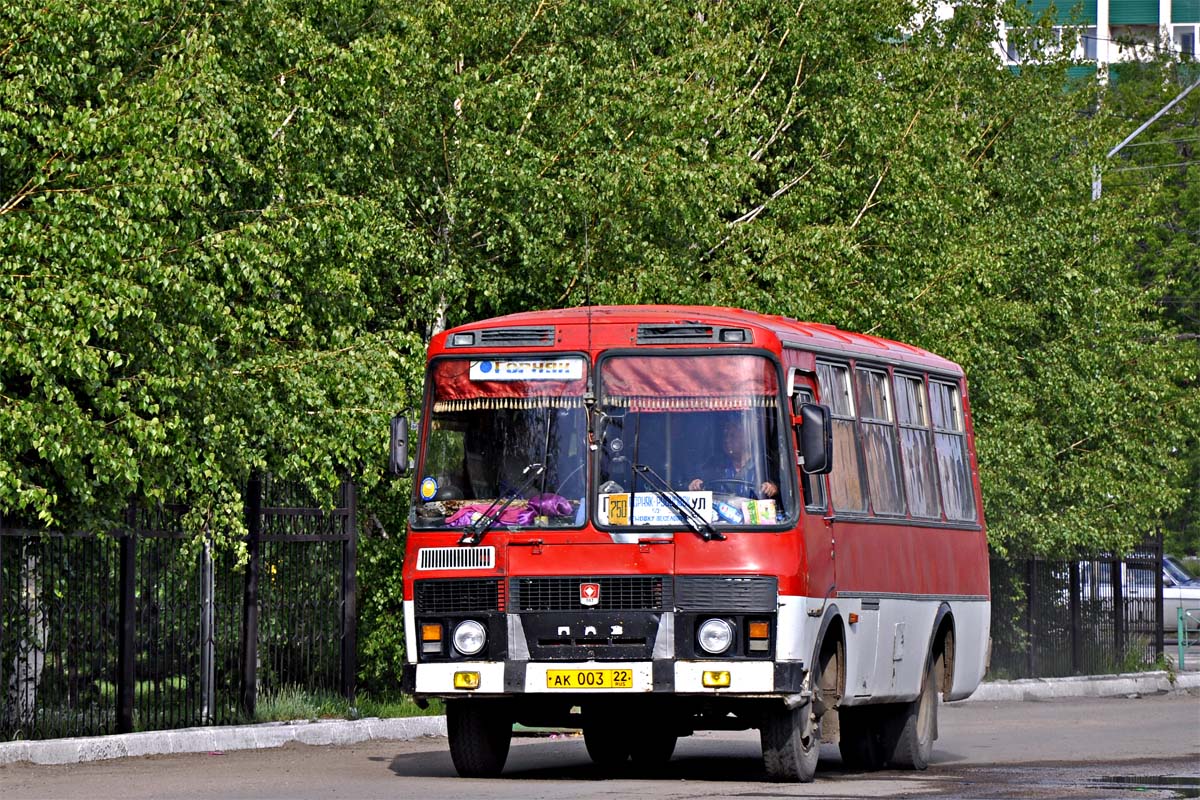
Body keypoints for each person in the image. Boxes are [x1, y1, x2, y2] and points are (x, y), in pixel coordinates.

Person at [688, 421, 778, 499]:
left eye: (732, 436)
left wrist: (772, 488)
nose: (727, 440)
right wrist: (695, 484)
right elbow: (699, 482)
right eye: (725, 436)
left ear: (746, 439)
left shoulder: (764, 464)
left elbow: (784, 491)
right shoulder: (715, 464)